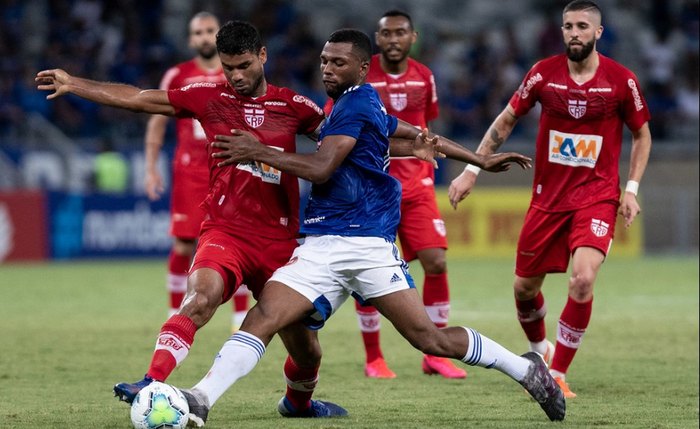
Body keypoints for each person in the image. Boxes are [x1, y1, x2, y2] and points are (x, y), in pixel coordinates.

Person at [173, 28, 564, 427]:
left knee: (429, 339)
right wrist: (479, 160)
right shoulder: (356, 103)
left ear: (362, 68)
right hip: (322, 245)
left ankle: (525, 368)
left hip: (368, 245)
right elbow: (419, 136)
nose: (327, 69)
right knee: (265, 316)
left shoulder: (354, 105)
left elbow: (322, 168)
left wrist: (257, 151)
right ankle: (201, 398)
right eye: (324, 60)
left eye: (338, 63)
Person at [37, 20, 347, 418]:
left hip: (280, 245)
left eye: (245, 65)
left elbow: (348, 142)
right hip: (225, 232)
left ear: (263, 56)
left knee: (306, 350)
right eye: (228, 67)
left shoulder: (295, 107)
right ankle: (150, 383)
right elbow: (137, 98)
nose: (236, 76)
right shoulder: (207, 97)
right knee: (199, 299)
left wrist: (419, 143)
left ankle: (299, 403)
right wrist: (74, 83)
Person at [448, 0, 652, 399]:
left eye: (581, 26)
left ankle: (557, 373)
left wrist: (630, 189)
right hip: (548, 199)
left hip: (597, 197)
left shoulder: (620, 80)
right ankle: (541, 350)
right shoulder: (543, 74)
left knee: (583, 278)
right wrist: (473, 168)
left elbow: (641, 133)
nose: (574, 32)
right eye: (567, 26)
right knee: (524, 288)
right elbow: (506, 119)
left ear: (598, 32)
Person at [349, 9, 466, 379]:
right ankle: (374, 359)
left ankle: (435, 354)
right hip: (372, 187)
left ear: (412, 36)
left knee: (436, 261)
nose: (394, 39)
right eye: (387, 34)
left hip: (416, 186)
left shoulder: (424, 76)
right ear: (377, 38)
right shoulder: (361, 75)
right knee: (368, 274)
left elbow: (424, 127)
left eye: (401, 33)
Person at [143, 11, 250, 329]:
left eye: (209, 31)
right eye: (198, 32)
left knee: (240, 239)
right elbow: (157, 121)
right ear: (191, 39)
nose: (204, 37)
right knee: (184, 245)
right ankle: (175, 312)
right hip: (191, 171)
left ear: (218, 35)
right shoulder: (178, 75)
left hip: (231, 167)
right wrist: (151, 167)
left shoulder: (237, 74)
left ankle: (240, 316)